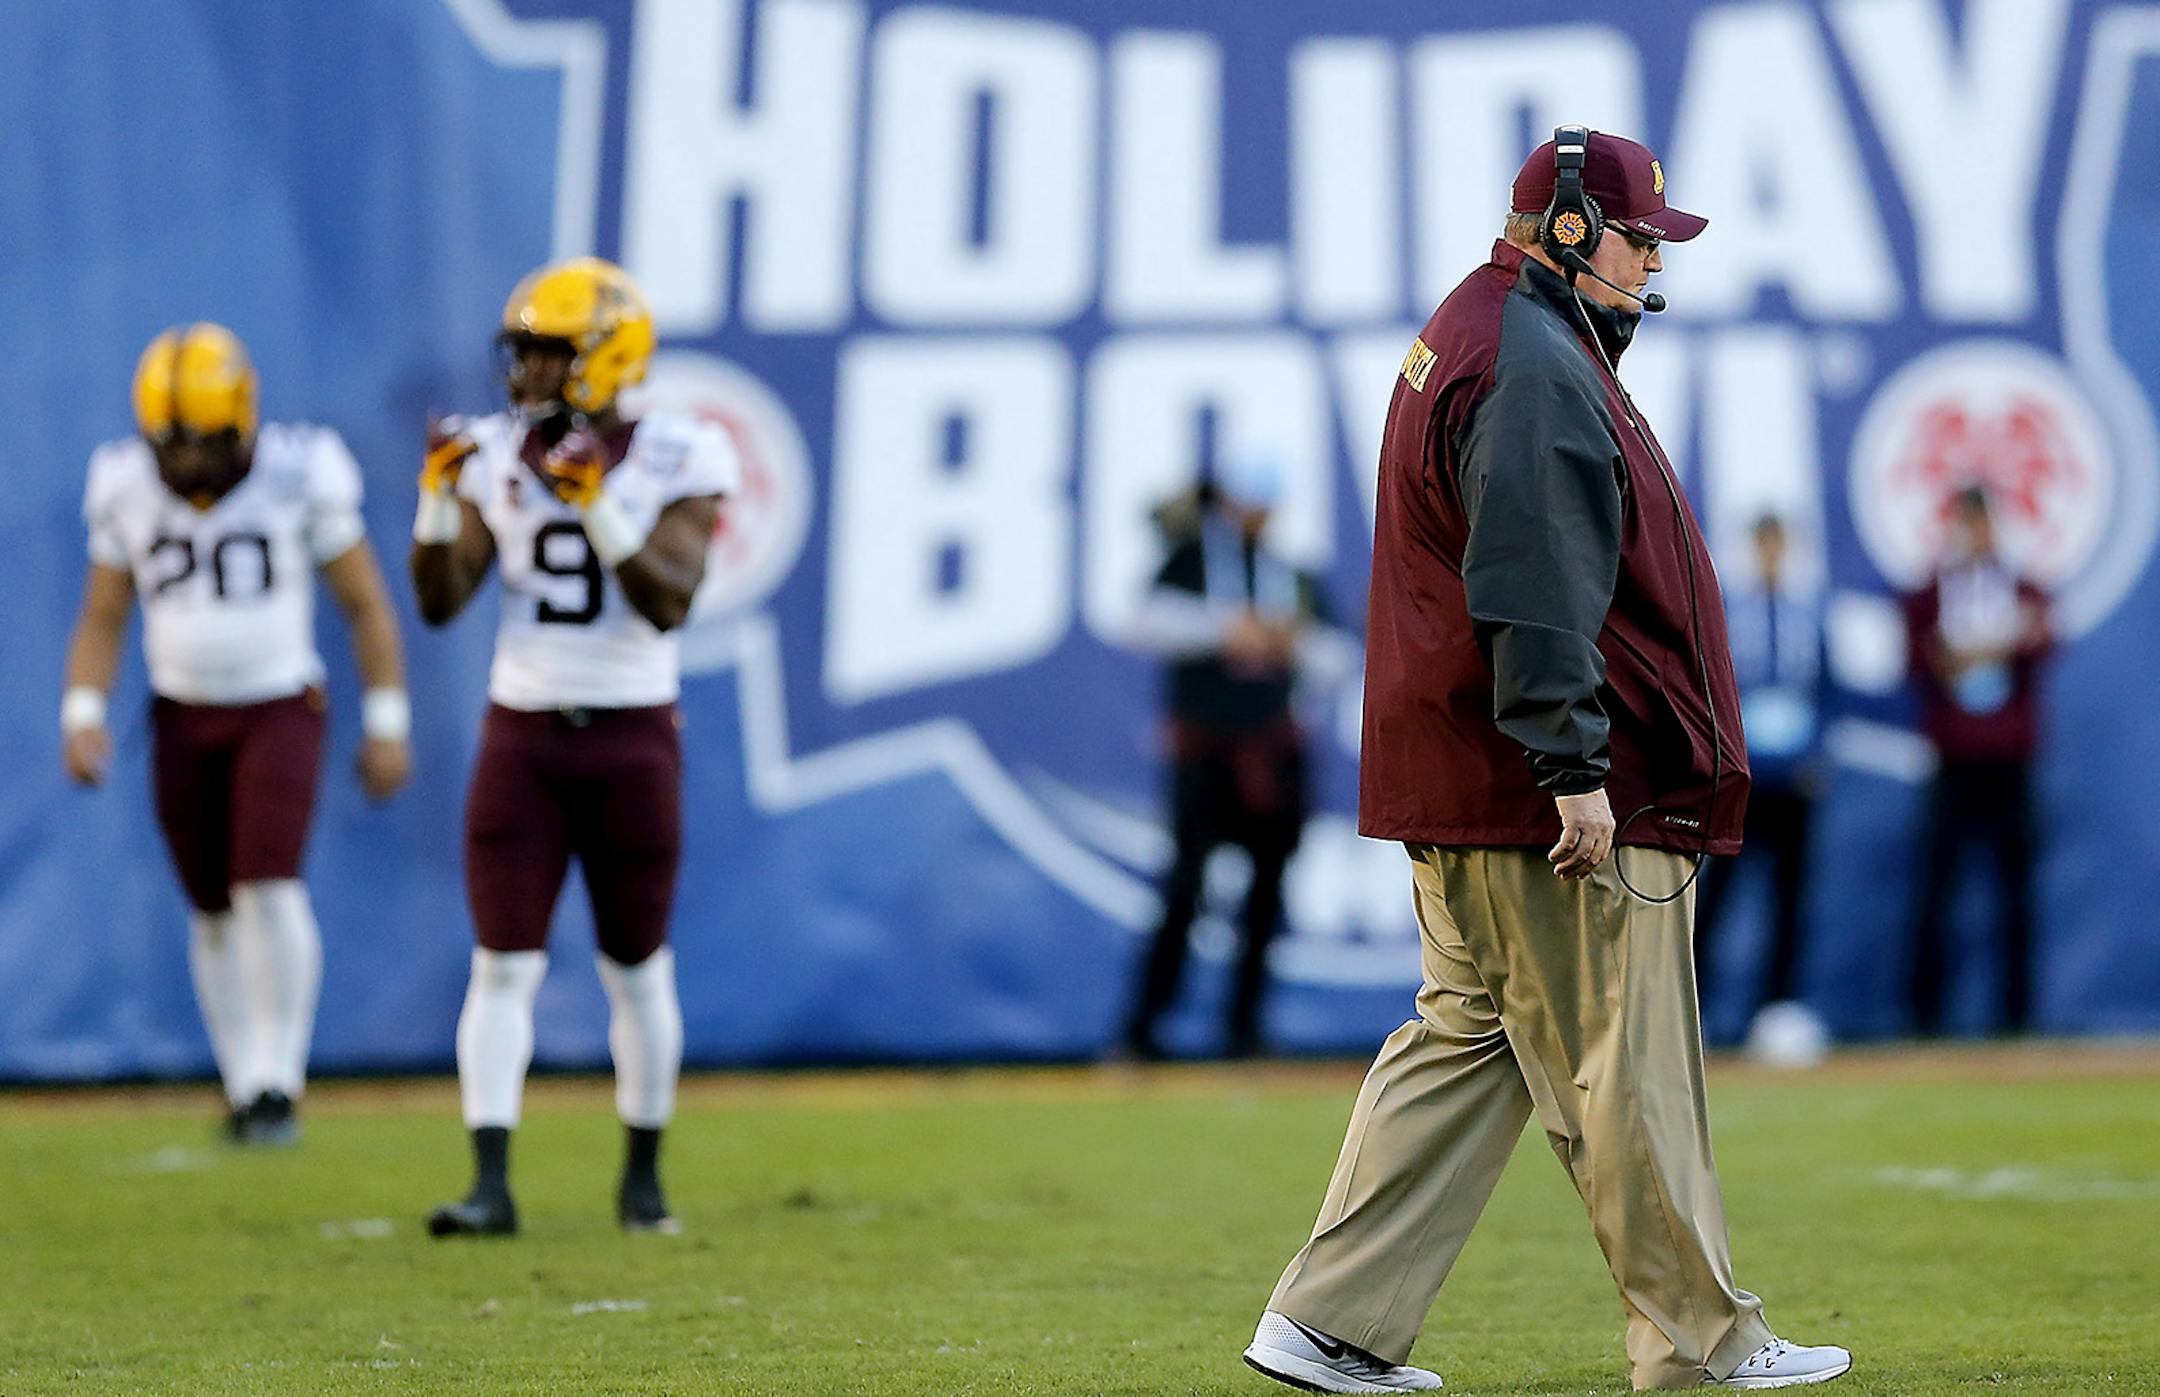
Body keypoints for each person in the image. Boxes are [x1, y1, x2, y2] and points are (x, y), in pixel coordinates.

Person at [1241, 129, 1851, 1392]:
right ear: (1569, 229)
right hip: (1553, 793)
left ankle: (1330, 1321)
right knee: (1624, 1065)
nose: (1648, 267)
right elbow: (1528, 585)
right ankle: (1704, 1342)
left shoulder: (1494, 332)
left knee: (1463, 1043)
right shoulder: (1531, 363)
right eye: (1637, 240)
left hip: (1473, 777)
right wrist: (1574, 766)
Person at [412, 258, 736, 1237]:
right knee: (501, 962)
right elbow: (439, 599)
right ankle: (489, 1182)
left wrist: (595, 500)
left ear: (604, 358)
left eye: (551, 354)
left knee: (635, 967)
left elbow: (669, 599)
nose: (528, 375)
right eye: (524, 353)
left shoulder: (684, 451)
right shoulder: (499, 452)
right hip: (526, 731)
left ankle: (642, 1178)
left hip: (633, 732)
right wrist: (436, 497)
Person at [61, 324, 412, 1145]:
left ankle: (276, 1081)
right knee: (211, 905)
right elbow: (104, 612)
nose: (186, 467)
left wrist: (388, 720)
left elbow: (364, 604)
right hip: (180, 711)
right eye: (170, 448)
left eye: (205, 444)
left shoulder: (301, 470)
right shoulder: (121, 481)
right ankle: (240, 1077)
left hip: (277, 702)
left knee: (267, 884)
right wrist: (82, 711)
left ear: (246, 419)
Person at [1120, 459, 1325, 1060]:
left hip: (1272, 754)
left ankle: (1246, 1027)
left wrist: (1291, 641)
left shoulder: (1291, 574)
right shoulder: (1192, 561)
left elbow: (1339, 655)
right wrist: (1227, 629)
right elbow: (1144, 620)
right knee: (1184, 886)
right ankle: (1144, 1028)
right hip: (1206, 754)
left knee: (1266, 894)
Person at [1903, 486, 2050, 1036]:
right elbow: (1918, 656)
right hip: (1954, 758)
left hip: (2009, 760)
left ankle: (2018, 1017)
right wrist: (1992, 645)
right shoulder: (1934, 591)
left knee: (2016, 892)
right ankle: (1925, 1018)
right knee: (1937, 888)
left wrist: (1987, 649)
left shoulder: (2022, 586)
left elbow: (2043, 640)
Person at [1696, 515, 1832, 1065]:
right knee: (1718, 894)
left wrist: (1817, 755)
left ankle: (1776, 1011)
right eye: (1763, 544)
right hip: (1743, 780)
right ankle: (1694, 1006)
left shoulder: (1808, 618)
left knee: (1790, 897)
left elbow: (1828, 691)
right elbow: (1714, 686)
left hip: (1793, 782)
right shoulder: (1732, 614)